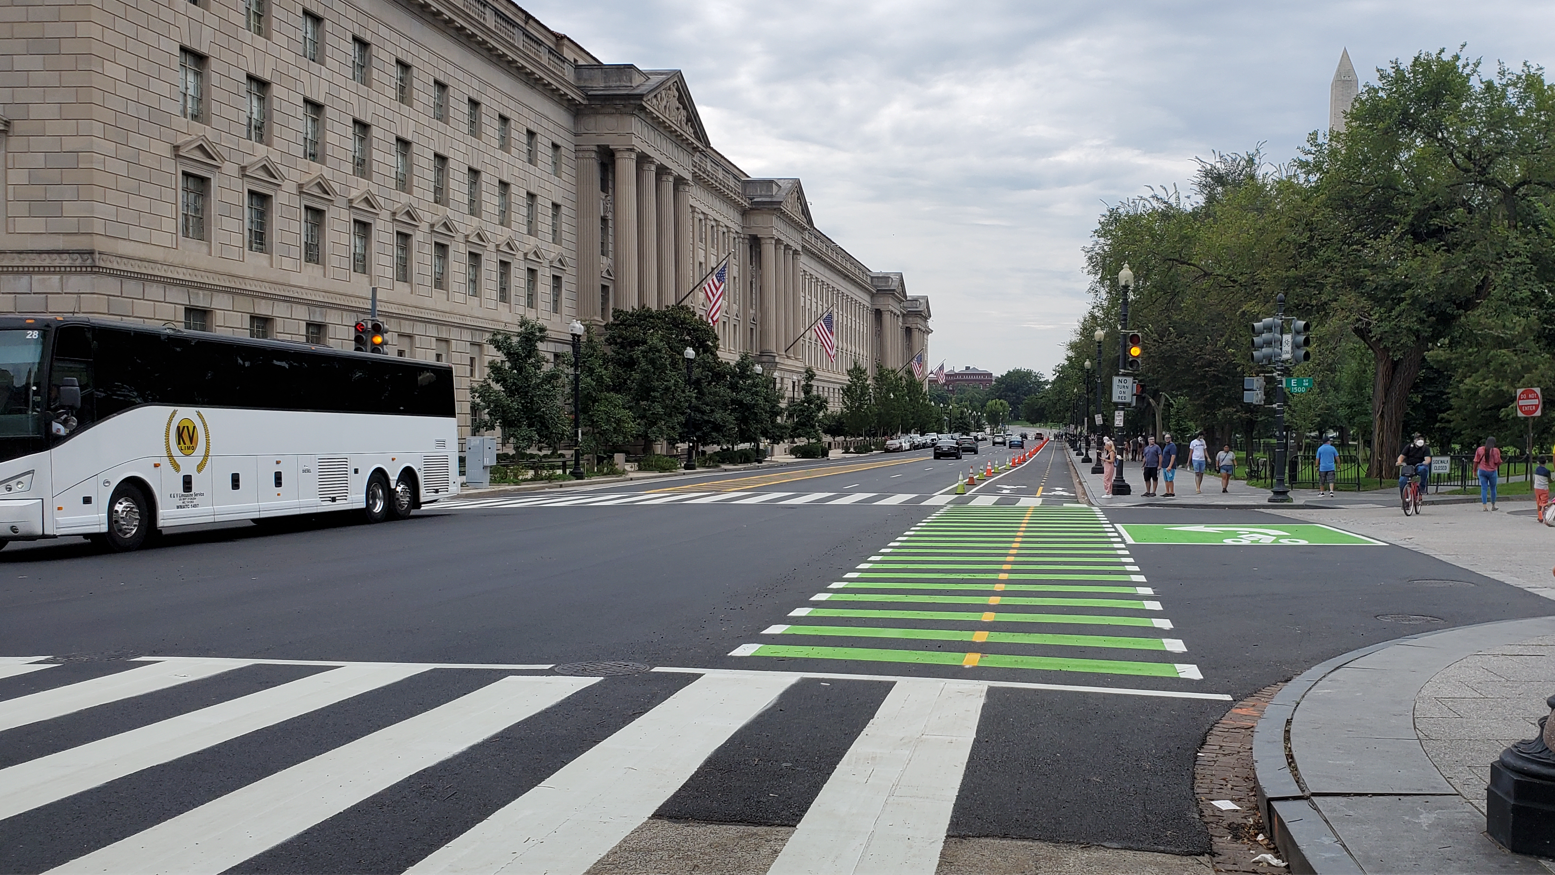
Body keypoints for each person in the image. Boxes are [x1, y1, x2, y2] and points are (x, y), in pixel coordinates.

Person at [1396, 432, 1432, 506]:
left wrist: (1426, 462)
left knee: (1424, 469)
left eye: (1422, 438)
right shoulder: (1409, 447)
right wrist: (1399, 462)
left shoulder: (1425, 448)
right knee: (1402, 481)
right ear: (1415, 440)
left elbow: (1427, 458)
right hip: (1409, 467)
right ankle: (1404, 500)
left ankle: (1422, 487)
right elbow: (1401, 456)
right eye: (1418, 438)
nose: (1420, 440)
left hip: (1419, 466)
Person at [1474, 436, 1502, 511]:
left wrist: (1474, 471)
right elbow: (1497, 461)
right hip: (1492, 471)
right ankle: (1493, 505)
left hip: (1482, 471)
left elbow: (1476, 461)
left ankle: (1484, 506)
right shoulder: (1495, 451)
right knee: (1493, 488)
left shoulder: (1480, 449)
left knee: (1484, 488)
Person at [1161, 433, 1179, 498]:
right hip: (1165, 465)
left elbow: (1173, 456)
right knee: (1166, 479)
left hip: (1169, 465)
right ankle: (1167, 491)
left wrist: (1170, 465)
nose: (1167, 439)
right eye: (1166, 438)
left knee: (1170, 479)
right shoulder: (1166, 446)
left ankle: (1172, 492)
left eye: (1168, 438)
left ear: (1171, 438)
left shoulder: (1172, 446)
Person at [1533, 456, 1549, 524]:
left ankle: (1539, 515)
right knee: (1544, 503)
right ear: (1546, 462)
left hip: (1536, 488)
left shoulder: (1536, 470)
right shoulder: (1547, 471)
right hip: (1544, 488)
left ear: (1538, 462)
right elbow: (1549, 479)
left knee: (1538, 502)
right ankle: (1541, 516)